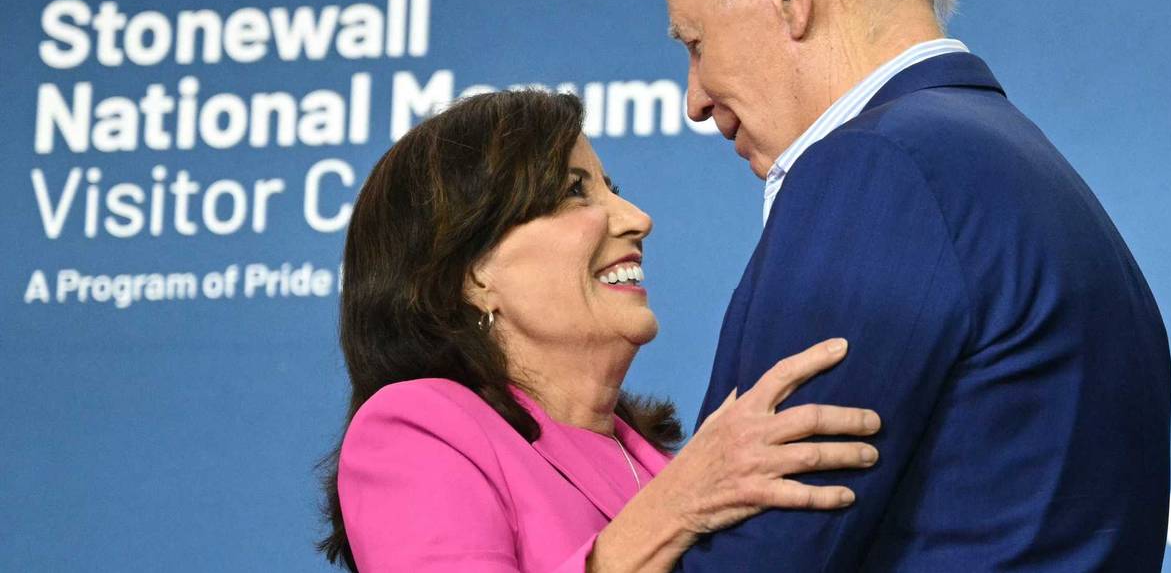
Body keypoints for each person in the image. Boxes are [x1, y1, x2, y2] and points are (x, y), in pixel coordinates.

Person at [661, 0, 1171, 570]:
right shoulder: (1008, 161)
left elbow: (759, 554)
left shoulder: (876, 169)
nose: (692, 99)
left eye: (695, 42)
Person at [317, 90, 885, 572]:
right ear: (471, 273)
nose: (636, 217)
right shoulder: (417, 429)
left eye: (610, 186)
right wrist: (671, 514)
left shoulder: (664, 466)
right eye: (573, 191)